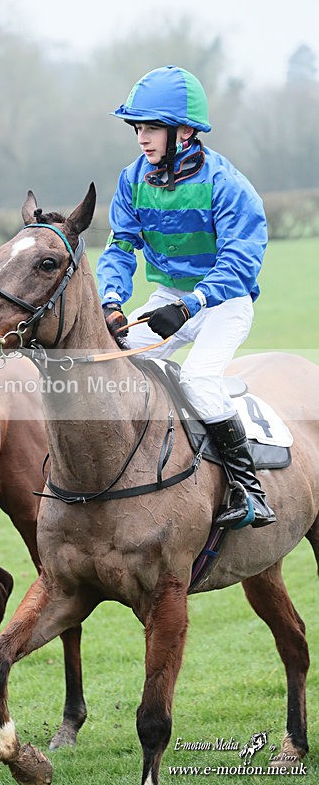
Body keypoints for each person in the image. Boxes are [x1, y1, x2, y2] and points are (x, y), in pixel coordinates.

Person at [96, 65, 275, 528]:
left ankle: (249, 490)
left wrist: (191, 304)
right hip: (169, 297)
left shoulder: (227, 184)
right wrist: (111, 303)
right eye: (137, 127)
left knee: (198, 381)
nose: (141, 137)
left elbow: (240, 263)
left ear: (187, 130)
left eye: (152, 126)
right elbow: (120, 247)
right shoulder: (132, 178)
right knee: (111, 362)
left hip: (223, 303)